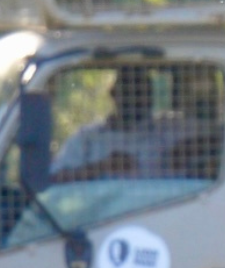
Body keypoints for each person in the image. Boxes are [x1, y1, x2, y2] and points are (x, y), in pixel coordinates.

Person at [51, 65, 181, 181]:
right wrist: (102, 166)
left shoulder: (168, 133)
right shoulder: (87, 137)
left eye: (142, 92)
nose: (137, 99)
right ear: (114, 94)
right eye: (129, 92)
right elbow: (54, 178)